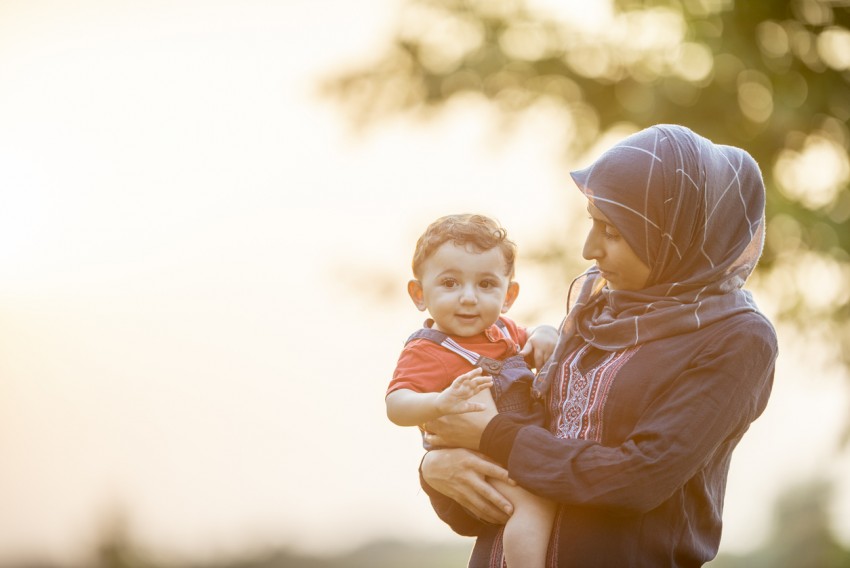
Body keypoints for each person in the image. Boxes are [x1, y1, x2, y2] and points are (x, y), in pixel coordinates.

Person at [417, 125, 779, 567]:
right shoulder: (593, 312)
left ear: (672, 233)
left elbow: (638, 478)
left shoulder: (737, 338)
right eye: (593, 221)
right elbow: (506, 485)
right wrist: (439, 471)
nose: (589, 249)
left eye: (612, 230)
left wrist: (493, 437)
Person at [386, 213, 559, 568]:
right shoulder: (428, 350)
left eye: (486, 284)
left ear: (508, 295)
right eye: (450, 283)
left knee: (546, 496)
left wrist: (545, 332)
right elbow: (396, 404)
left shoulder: (504, 331)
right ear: (419, 294)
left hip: (516, 449)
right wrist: (438, 402)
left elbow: (534, 337)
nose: (468, 297)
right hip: (477, 466)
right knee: (535, 503)